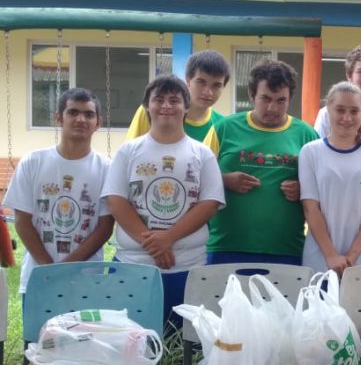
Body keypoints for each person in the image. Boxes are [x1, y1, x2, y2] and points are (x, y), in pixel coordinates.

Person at [102, 76, 224, 321]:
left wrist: (168, 238)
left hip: (187, 266)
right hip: (133, 263)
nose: (166, 106)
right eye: (158, 99)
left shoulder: (202, 153)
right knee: (131, 339)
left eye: (174, 100)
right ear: (147, 106)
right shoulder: (128, 151)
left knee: (184, 346)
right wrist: (154, 245)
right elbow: (116, 200)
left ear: (186, 108)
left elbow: (209, 203)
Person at [204, 59, 318, 265]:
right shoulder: (224, 128)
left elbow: (324, 189)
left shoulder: (307, 135)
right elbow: (195, 178)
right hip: (226, 247)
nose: (273, 108)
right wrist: (224, 180)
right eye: (265, 98)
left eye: (281, 100)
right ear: (251, 94)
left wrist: (304, 189)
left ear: (290, 98)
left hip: (287, 250)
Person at [3, 88, 113, 297]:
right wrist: (48, 268)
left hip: (87, 282)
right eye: (73, 112)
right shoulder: (32, 162)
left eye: (89, 114)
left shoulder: (107, 168)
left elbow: (105, 227)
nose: (81, 119)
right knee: (38, 332)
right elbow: (22, 221)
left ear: (98, 123)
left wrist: (65, 269)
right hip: (39, 279)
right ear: (58, 118)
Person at [300, 82, 361, 274]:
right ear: (328, 111)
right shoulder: (310, 152)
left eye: (354, 111)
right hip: (321, 256)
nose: (347, 118)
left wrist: (352, 255)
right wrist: (331, 255)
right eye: (340, 110)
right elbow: (310, 208)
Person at [124, 50, 231, 142]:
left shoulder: (222, 126)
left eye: (216, 85)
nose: (208, 92)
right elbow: (129, 155)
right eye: (201, 82)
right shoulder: (154, 111)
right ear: (188, 80)